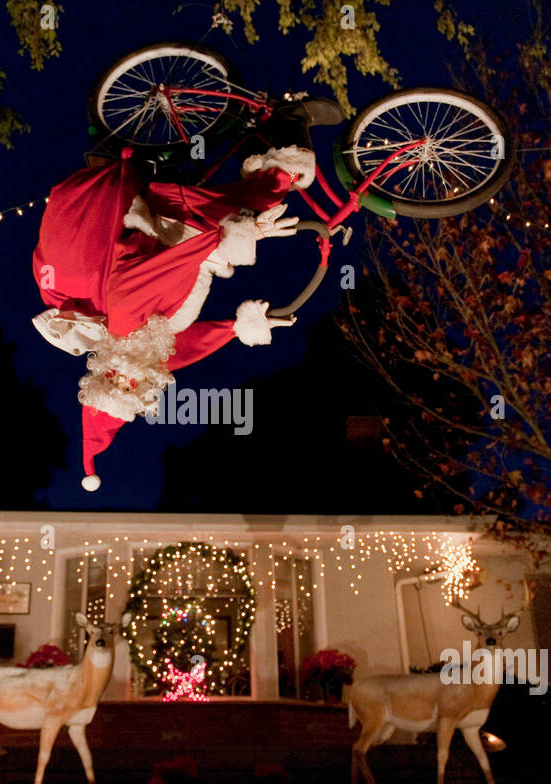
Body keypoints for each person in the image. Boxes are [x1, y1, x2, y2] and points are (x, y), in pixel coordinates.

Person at [31, 98, 342, 490]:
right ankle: (256, 141)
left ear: (105, 370)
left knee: (269, 197)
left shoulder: (126, 322)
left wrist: (225, 238)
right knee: (254, 213)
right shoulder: (151, 353)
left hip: (170, 218)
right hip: (193, 237)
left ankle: (289, 125)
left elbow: (160, 268)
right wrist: (241, 327)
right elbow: (193, 345)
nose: (130, 382)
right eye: (133, 390)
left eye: (116, 382)